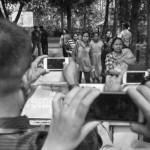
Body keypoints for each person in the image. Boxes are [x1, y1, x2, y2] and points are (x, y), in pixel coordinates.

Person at [0, 19, 102, 150]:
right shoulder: (45, 143)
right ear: (25, 79)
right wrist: (72, 82)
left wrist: (23, 86)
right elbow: (92, 144)